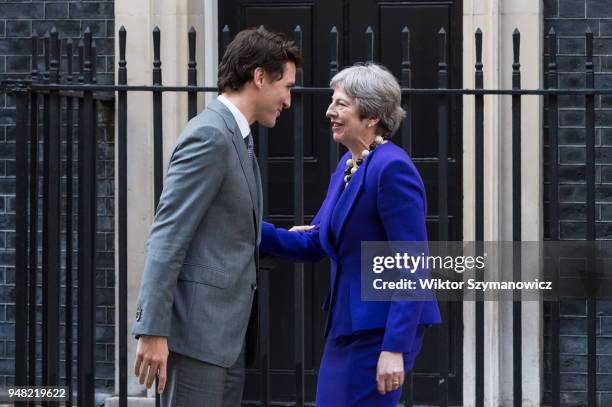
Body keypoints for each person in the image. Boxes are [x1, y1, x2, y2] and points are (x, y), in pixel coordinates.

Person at [132, 27, 302, 406]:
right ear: (259, 77)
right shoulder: (210, 136)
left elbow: (226, 233)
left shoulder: (237, 137)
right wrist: (153, 330)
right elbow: (167, 235)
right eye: (286, 87)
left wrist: (292, 240)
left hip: (224, 341)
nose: (288, 101)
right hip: (196, 342)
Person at [260, 63, 442, 406]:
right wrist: (251, 230)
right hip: (348, 327)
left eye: (341, 103)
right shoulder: (348, 167)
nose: (329, 111)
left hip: (380, 329)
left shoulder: (391, 168)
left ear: (371, 116)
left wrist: (394, 348)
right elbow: (316, 241)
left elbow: (413, 266)